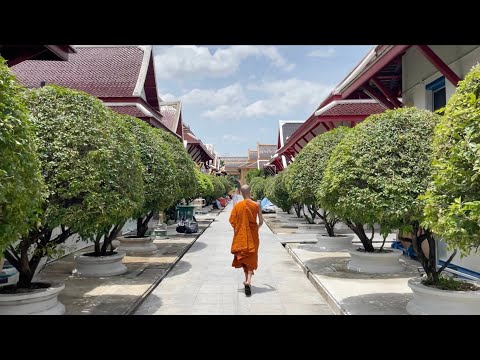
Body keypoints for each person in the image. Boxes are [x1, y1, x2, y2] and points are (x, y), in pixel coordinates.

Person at [229, 184, 263, 296]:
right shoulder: (257, 204)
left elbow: (232, 221)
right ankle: (248, 280)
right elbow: (261, 221)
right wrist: (255, 228)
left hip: (241, 235)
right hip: (253, 235)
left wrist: (240, 228)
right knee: (251, 256)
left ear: (241, 193)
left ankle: (247, 280)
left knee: (244, 256)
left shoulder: (238, 206)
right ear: (250, 191)